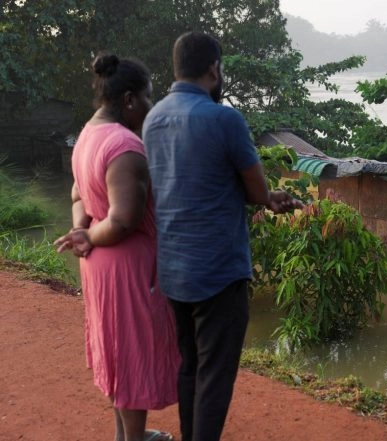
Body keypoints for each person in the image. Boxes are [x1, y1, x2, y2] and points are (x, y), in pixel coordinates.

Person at [142, 31, 302, 441]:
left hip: (173, 271)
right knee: (215, 374)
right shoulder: (224, 118)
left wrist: (262, 196)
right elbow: (254, 191)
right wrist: (270, 198)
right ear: (214, 68)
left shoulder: (153, 118)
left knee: (190, 366)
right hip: (218, 272)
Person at [54, 53, 179, 441]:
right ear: (128, 99)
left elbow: (78, 194)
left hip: (98, 263)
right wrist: (90, 235)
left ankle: (126, 435)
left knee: (116, 350)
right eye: (148, 96)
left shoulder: (88, 134)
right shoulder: (126, 146)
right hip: (126, 268)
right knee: (132, 353)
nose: (151, 105)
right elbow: (124, 219)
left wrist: (82, 231)